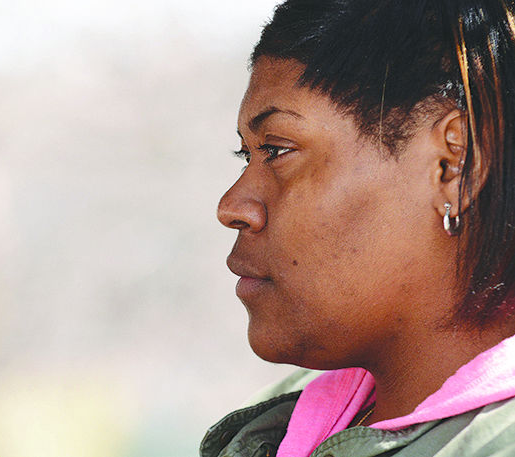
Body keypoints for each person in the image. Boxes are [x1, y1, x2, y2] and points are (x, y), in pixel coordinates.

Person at [201, 1, 515, 456]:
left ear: (455, 165)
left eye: (277, 149)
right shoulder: (286, 417)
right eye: (245, 156)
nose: (232, 206)